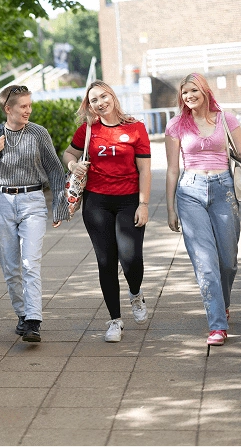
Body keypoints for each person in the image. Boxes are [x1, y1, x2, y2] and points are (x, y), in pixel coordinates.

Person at [165, 72, 241, 346]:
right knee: (205, 263)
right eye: (184, 92)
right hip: (190, 192)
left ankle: (222, 303)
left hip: (224, 189)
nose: (189, 96)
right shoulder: (176, 125)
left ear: (205, 92)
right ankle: (217, 325)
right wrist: (170, 209)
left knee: (228, 260)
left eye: (193, 91)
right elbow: (172, 169)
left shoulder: (226, 119)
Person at [0, 85, 70, 342]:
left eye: (29, 105)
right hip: (0, 201)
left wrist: (59, 204)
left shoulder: (38, 133)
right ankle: (22, 315)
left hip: (32, 201)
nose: (29, 110)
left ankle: (34, 320)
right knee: (11, 266)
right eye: (23, 106)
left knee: (30, 263)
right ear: (8, 109)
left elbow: (55, 170)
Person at [63, 81, 152, 343]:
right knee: (106, 262)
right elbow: (69, 153)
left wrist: (144, 204)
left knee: (131, 259)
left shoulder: (135, 128)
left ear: (112, 96)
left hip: (129, 201)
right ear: (89, 106)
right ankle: (115, 320)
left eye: (104, 96)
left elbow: (145, 170)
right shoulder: (88, 130)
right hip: (97, 203)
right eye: (94, 100)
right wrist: (72, 165)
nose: (100, 102)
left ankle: (135, 293)